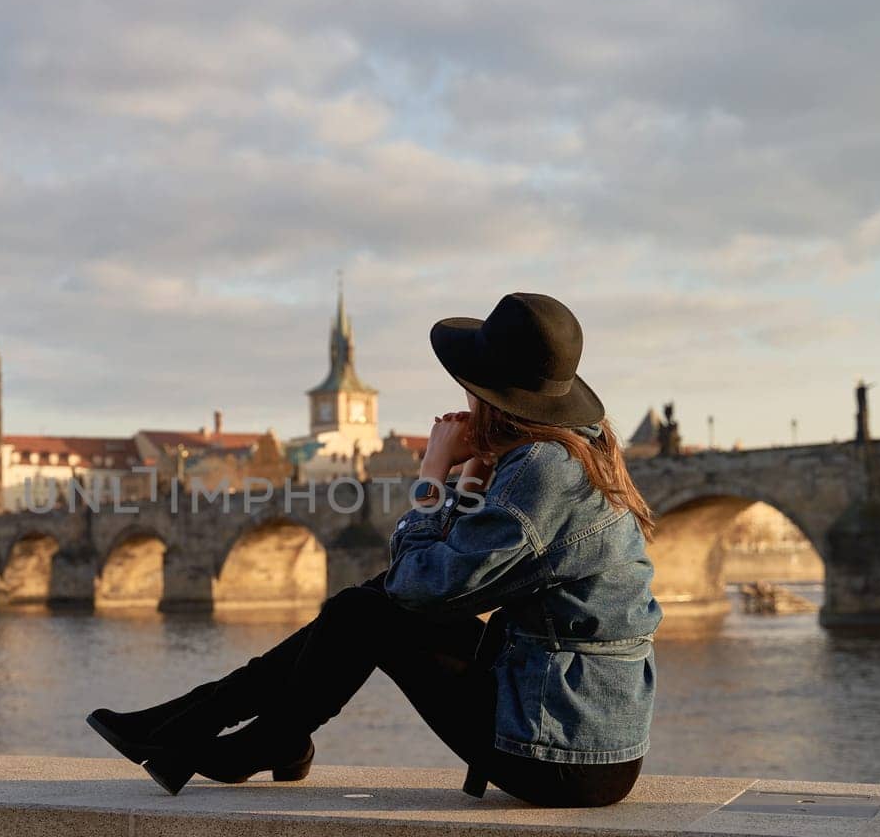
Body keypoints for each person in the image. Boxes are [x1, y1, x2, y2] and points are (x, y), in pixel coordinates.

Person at [87, 292, 663, 806]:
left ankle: (238, 735)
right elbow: (458, 577)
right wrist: (464, 488)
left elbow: (417, 583)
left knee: (367, 611)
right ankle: (209, 724)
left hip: (562, 755)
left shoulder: (543, 470)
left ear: (491, 394)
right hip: (588, 735)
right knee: (364, 605)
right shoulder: (577, 451)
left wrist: (432, 475)